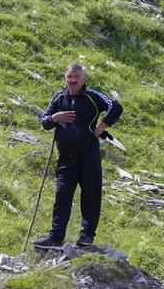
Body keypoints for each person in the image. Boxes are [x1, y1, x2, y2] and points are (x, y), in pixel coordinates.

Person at [33, 63, 122, 250]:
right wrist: (55, 118)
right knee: (62, 195)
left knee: (90, 194)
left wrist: (101, 128)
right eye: (69, 77)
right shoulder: (58, 97)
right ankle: (56, 237)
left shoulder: (93, 96)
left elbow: (116, 107)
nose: (73, 80)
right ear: (66, 78)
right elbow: (45, 122)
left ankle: (86, 236)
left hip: (88, 155)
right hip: (66, 157)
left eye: (76, 77)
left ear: (83, 79)